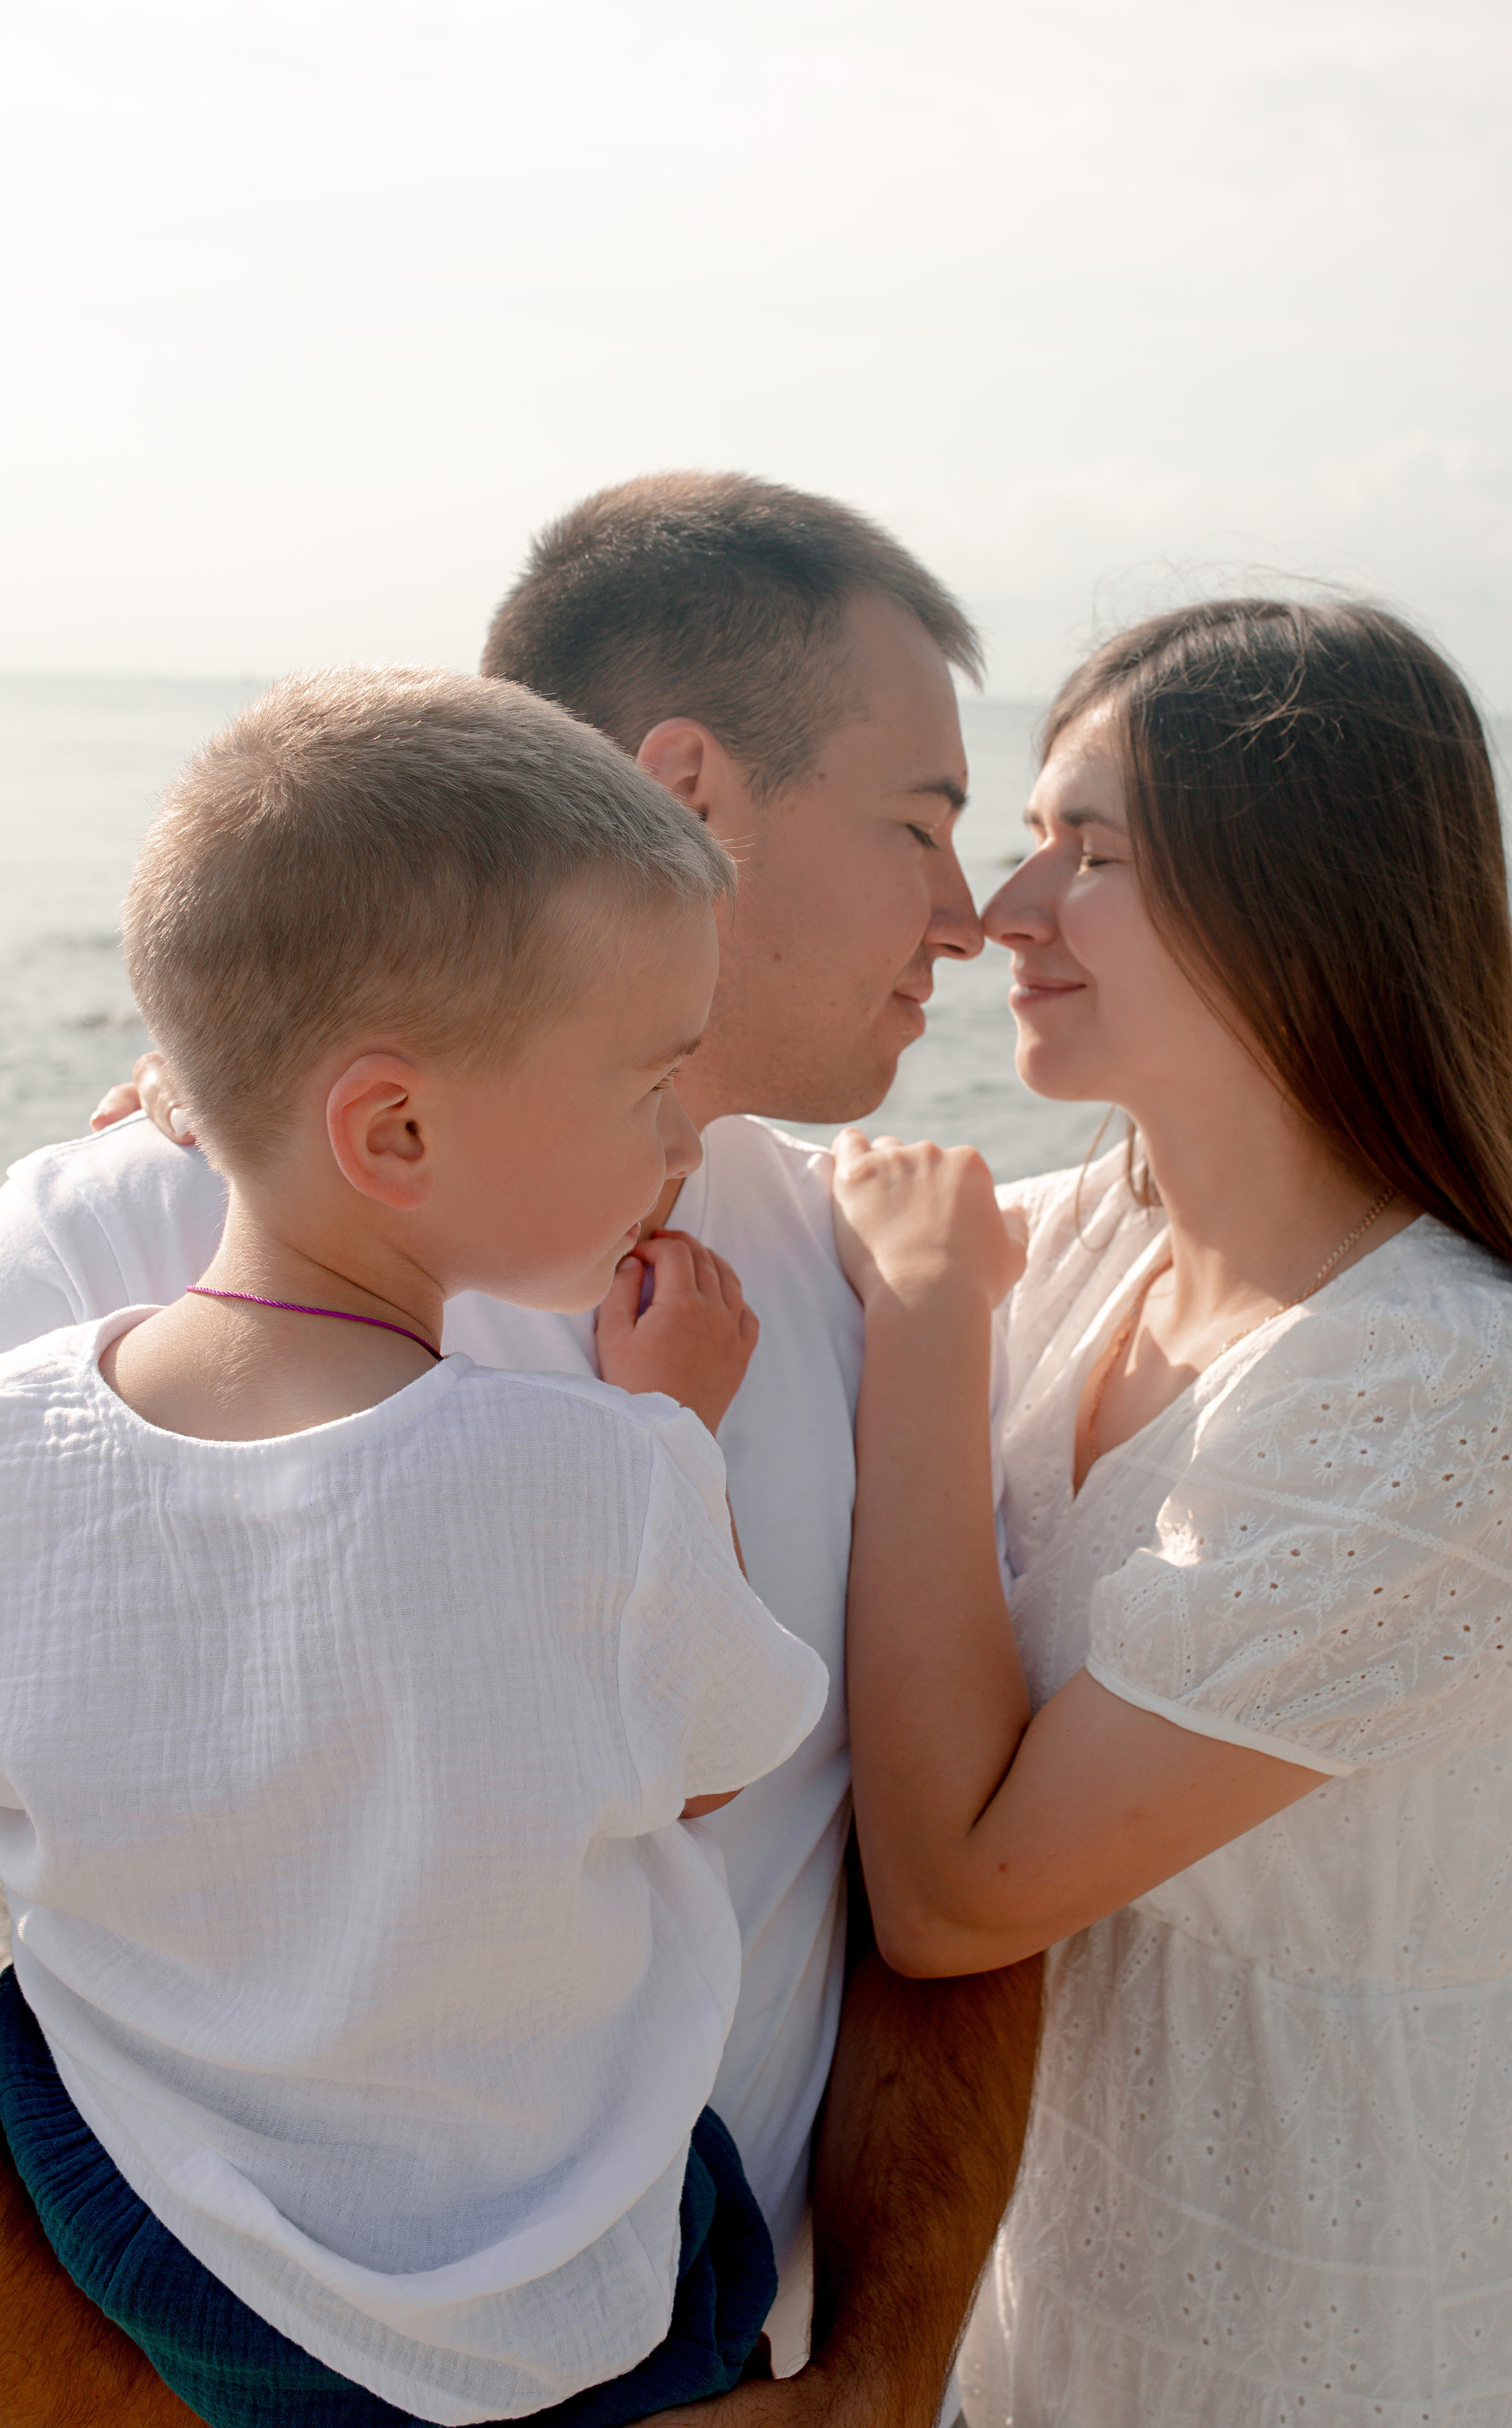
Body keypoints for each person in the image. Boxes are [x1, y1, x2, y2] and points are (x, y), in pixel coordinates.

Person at [0, 474, 1042, 2428]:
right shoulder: (102, 1242)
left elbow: (947, 1889)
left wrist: (880, 2379)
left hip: (698, 2357)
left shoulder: (871, 1275)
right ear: (690, 793)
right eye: (921, 822)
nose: (973, 919)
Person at [827, 598, 1512, 2425]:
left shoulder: (1438, 1380)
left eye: (1093, 853)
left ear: (1307, 901)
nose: (1005, 911)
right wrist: (248, 1153)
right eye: (1029, 839)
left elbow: (960, 1894)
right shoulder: (1087, 1247)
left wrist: (926, 1331)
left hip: (1338, 2354)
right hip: (1038, 2320)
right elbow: (635, 1181)